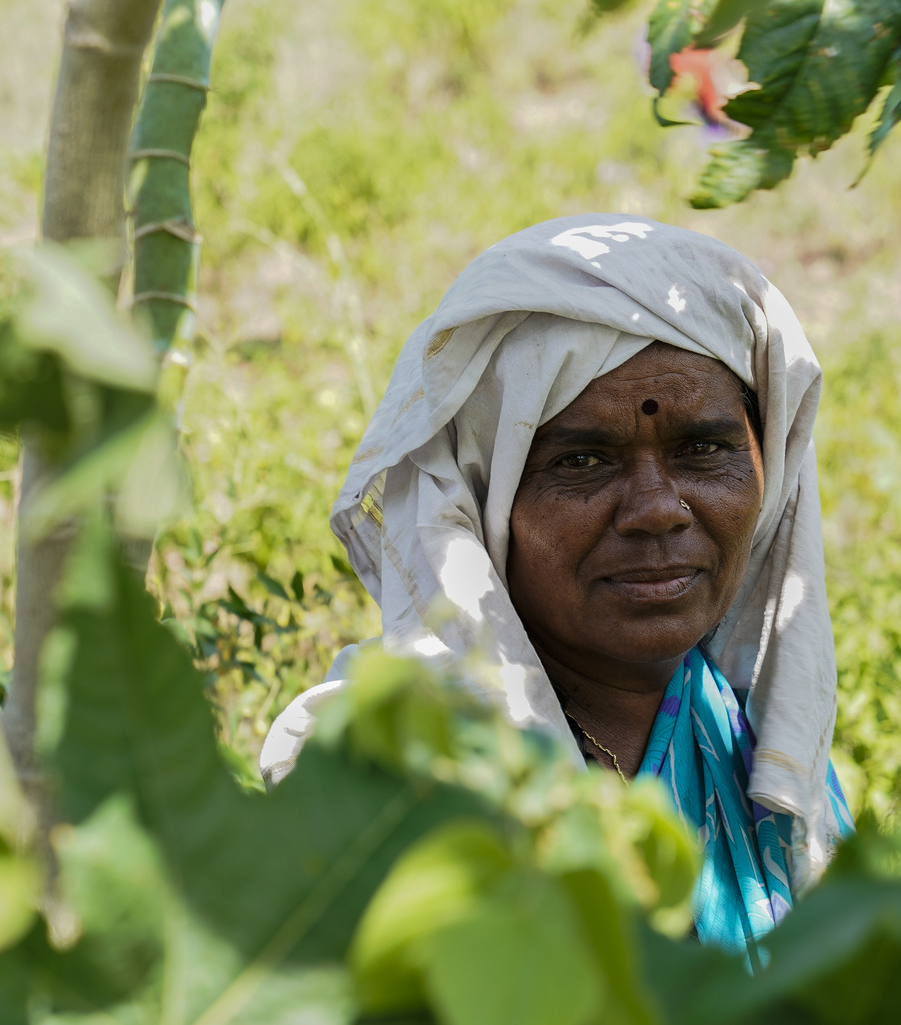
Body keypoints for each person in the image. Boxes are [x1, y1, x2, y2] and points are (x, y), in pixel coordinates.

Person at [260, 214, 852, 953]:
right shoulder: (385, 795)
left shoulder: (757, 748)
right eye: (582, 463)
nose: (658, 509)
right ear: (482, 503)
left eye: (703, 449)